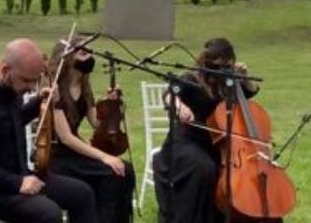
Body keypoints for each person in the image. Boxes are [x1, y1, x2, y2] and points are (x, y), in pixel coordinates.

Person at [0, 39, 97, 223]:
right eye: (27, 80)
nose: (30, 86)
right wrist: (17, 183)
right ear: (5, 70)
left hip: (16, 174)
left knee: (82, 194)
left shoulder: (10, 87)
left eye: (34, 81)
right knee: (48, 213)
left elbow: (13, 121)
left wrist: (40, 102)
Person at [153, 37, 260, 223]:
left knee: (235, 175)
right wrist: (179, 106)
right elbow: (170, 94)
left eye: (227, 63)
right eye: (219, 63)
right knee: (205, 168)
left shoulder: (227, 81)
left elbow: (251, 92)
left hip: (218, 145)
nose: (223, 68)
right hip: (187, 143)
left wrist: (244, 77)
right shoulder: (191, 78)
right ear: (207, 60)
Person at [47, 37, 135, 222]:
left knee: (125, 170)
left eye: (90, 53)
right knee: (113, 173)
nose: (89, 58)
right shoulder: (54, 88)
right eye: (83, 53)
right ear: (68, 57)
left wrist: (111, 105)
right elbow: (66, 138)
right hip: (57, 158)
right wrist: (104, 156)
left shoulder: (84, 86)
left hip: (76, 156)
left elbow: (96, 123)